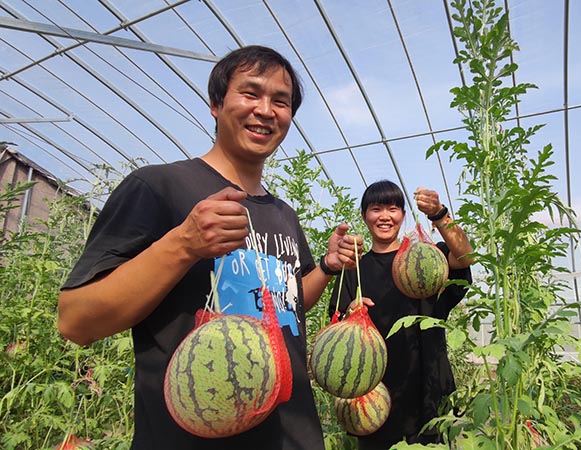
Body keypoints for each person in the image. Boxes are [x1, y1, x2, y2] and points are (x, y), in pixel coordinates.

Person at [57, 45, 360, 450]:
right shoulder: (158, 188)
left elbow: (287, 306)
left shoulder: (283, 214)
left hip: (293, 435)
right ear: (216, 103)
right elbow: (76, 322)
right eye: (250, 94)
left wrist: (326, 266)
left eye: (281, 101)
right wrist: (184, 244)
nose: (266, 110)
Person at [329, 180, 474, 450]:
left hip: (429, 391)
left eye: (393, 208)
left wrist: (439, 214)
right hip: (374, 398)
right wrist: (350, 313)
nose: (385, 216)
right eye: (376, 209)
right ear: (365, 216)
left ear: (403, 215)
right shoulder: (353, 270)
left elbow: (466, 257)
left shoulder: (426, 259)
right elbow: (335, 330)